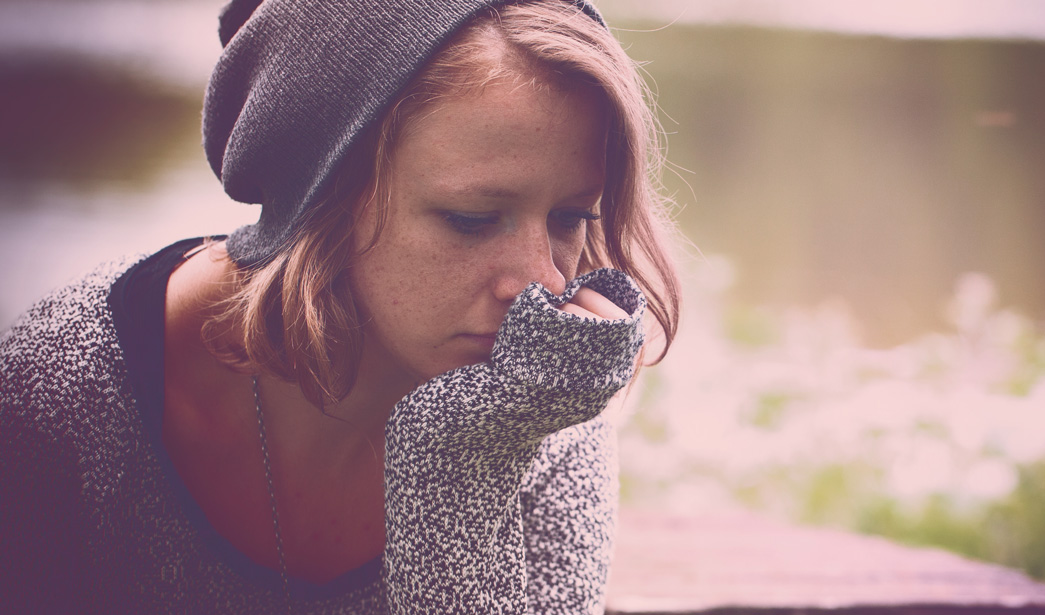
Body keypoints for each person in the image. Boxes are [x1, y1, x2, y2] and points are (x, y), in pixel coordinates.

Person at [0, 0, 681, 612]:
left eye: (570, 217)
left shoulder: (535, 404)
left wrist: (464, 471)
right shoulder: (63, 396)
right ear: (323, 197)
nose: (540, 281)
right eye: (472, 218)